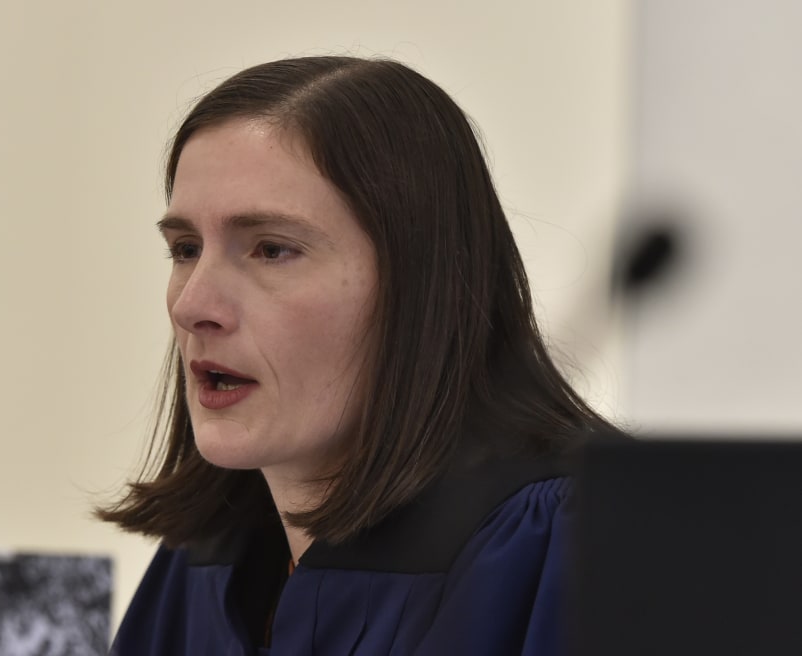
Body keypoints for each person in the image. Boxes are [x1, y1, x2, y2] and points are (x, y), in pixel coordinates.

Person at [99, 55, 617, 655]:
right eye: (185, 248)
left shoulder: (575, 544)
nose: (193, 304)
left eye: (271, 249)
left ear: (422, 286)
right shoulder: (211, 558)